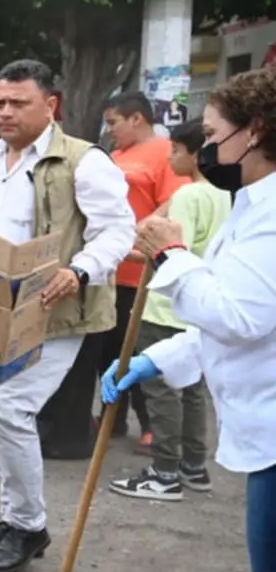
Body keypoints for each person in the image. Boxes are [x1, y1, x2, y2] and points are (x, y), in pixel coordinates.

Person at [100, 67, 276, 572]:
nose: (203, 151)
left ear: (254, 132)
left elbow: (239, 315)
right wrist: (158, 360)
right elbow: (228, 323)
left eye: (211, 136)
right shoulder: (251, 204)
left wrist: (170, 251)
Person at [0, 60, 133, 572]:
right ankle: (12, 517)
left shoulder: (83, 162)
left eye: (18, 103)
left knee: (6, 412)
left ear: (51, 105)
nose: (5, 112)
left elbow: (118, 230)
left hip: (54, 311)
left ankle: (28, 526)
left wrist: (80, 271)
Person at [107, 119, 229, 502]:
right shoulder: (224, 195)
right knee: (191, 387)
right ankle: (194, 465)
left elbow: (174, 247)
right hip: (198, 306)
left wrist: (129, 249)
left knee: (160, 389)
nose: (170, 157)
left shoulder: (190, 196)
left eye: (175, 150)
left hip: (164, 306)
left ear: (195, 154)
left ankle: (164, 471)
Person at [99, 89, 191, 452]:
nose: (110, 131)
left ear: (136, 119)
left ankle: (151, 424)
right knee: (111, 346)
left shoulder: (164, 153)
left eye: (113, 123)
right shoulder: (115, 156)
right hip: (112, 270)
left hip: (143, 272)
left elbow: (175, 201)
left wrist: (146, 233)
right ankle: (113, 416)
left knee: (143, 349)